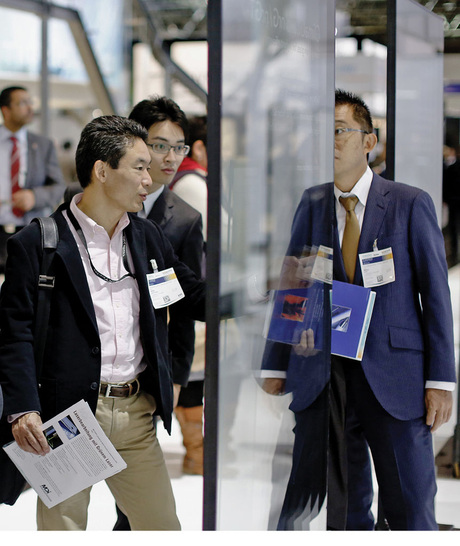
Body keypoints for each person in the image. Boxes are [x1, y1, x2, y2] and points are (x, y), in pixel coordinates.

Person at [0, 115, 205, 530]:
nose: (150, 178)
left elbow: (191, 297)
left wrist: (266, 289)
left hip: (135, 415)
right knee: (64, 531)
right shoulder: (38, 242)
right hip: (67, 417)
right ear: (101, 170)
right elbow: (13, 333)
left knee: (162, 527)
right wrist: (23, 408)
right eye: (140, 166)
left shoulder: (147, 237)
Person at [263, 89, 456, 530]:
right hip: (326, 373)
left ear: (370, 141)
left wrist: (440, 380)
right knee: (344, 509)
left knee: (410, 503)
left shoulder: (408, 203)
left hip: (395, 378)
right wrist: (275, 362)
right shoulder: (312, 202)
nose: (327, 141)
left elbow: (436, 298)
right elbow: (293, 284)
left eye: (338, 130)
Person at [129, 99, 205, 478]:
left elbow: (187, 306)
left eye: (179, 148)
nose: (171, 157)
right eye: (160, 145)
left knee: (136, 484)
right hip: (89, 359)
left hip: (147, 365)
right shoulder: (89, 199)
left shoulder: (185, 220)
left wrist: (176, 377)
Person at [0, 86, 65, 270]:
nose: (30, 108)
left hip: (29, 230)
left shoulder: (43, 145)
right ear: (6, 110)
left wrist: (34, 197)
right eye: (22, 103)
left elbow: (59, 186)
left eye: (30, 102)